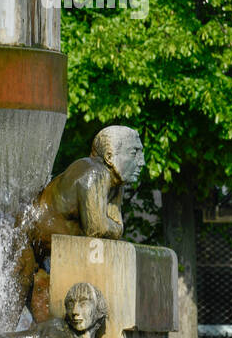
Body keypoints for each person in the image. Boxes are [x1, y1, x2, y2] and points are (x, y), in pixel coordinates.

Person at [12, 126, 145, 320]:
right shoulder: (94, 174)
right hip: (25, 234)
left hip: (43, 246)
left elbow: (114, 228)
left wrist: (113, 226)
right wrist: (113, 226)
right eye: (134, 153)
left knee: (48, 322)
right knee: (10, 312)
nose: (141, 162)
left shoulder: (115, 185)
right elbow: (98, 229)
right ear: (109, 157)